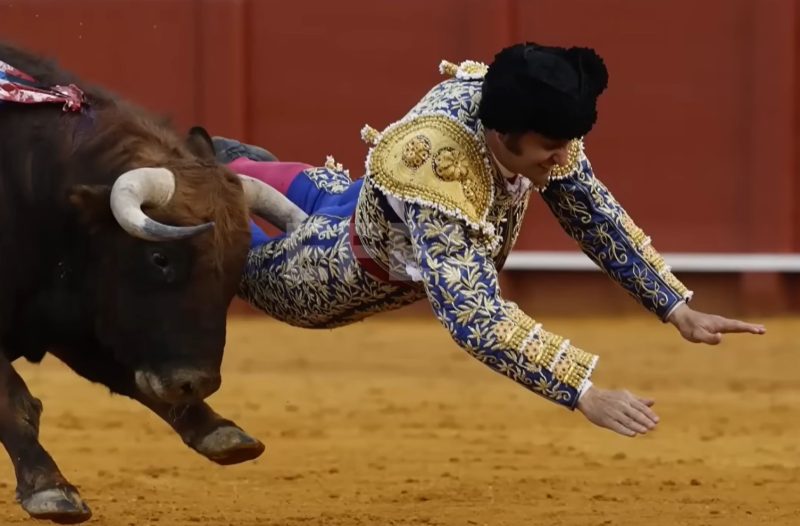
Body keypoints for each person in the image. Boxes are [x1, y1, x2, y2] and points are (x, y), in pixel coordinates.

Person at [211, 42, 765, 439]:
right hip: (332, 272)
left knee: (238, 175)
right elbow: (474, 315)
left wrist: (675, 307)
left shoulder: (527, 112)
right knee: (206, 242)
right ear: (503, 135)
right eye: (550, 147)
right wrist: (584, 391)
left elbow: (592, 213)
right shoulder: (442, 169)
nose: (562, 159)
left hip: (356, 201)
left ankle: (213, 171)